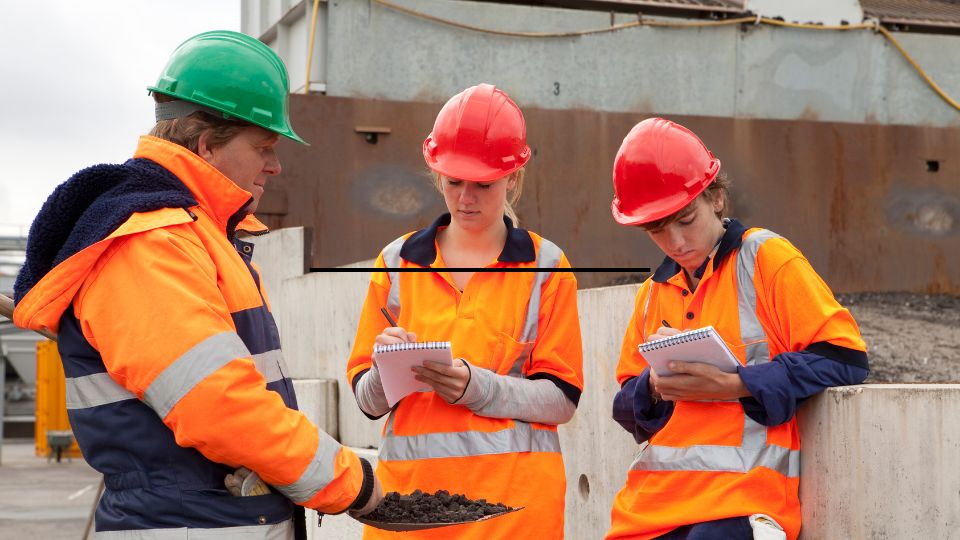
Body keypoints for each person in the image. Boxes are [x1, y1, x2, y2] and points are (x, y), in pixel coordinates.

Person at [12, 30, 381, 538]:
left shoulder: (193, 236)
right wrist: (350, 482)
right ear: (208, 146)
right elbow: (219, 405)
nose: (274, 165)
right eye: (264, 147)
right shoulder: (150, 242)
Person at [605, 118, 869, 540]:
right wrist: (653, 386)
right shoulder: (653, 294)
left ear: (717, 198)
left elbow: (846, 357)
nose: (675, 242)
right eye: (657, 229)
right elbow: (624, 406)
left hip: (744, 505)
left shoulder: (766, 259)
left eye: (686, 220)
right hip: (651, 511)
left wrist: (736, 384)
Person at [346, 83, 584, 539]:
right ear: (436, 173)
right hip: (410, 513)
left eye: (484, 184)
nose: (465, 198)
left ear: (513, 177)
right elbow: (367, 400)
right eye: (454, 182)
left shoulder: (547, 268)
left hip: (514, 517)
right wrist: (385, 370)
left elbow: (562, 400)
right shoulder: (396, 263)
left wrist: (476, 387)